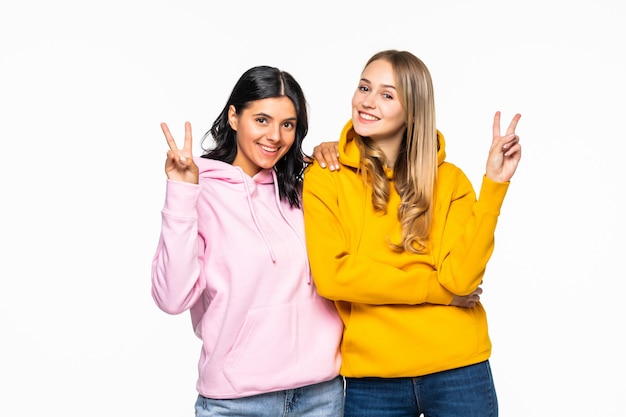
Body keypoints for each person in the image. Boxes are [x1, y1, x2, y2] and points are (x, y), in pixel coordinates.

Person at [303, 50, 522, 417]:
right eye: (364, 87)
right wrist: (436, 291)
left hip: (458, 368)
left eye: (387, 95)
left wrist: (495, 185)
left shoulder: (450, 180)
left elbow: (462, 279)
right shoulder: (326, 177)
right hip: (374, 378)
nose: (367, 102)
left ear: (413, 110)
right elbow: (333, 276)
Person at [151, 65, 345, 416]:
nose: (275, 136)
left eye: (288, 124)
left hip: (320, 396)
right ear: (234, 117)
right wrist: (181, 193)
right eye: (262, 120)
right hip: (236, 402)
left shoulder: (307, 187)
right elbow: (172, 298)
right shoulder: (202, 191)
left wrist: (344, 152)